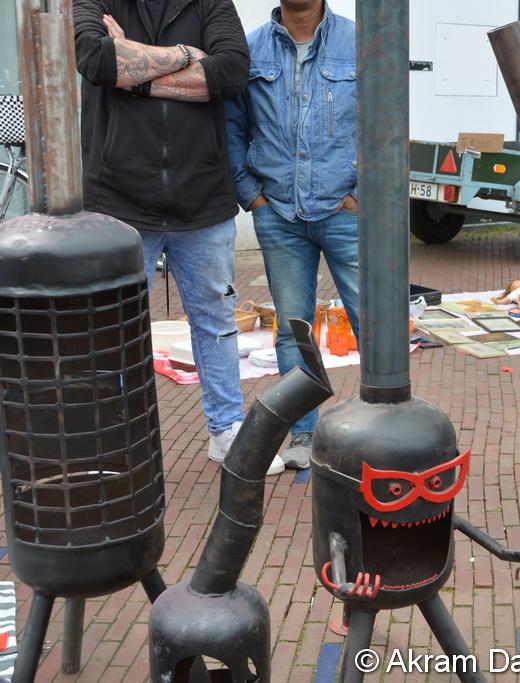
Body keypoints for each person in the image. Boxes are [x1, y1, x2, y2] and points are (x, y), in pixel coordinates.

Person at [72, 1, 288, 473]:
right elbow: (95, 57)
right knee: (115, 329)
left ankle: (227, 432)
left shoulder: (211, 3)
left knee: (216, 323)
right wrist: (188, 56)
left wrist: (135, 70)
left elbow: (231, 72)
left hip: (202, 196)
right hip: (120, 201)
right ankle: (115, 439)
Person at [225, 0, 359, 469]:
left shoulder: (359, 43)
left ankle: (380, 427)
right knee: (292, 330)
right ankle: (303, 435)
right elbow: (231, 127)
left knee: (373, 324)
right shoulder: (250, 50)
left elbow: (387, 119)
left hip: (345, 212)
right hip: (279, 213)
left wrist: (361, 194)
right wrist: (252, 196)